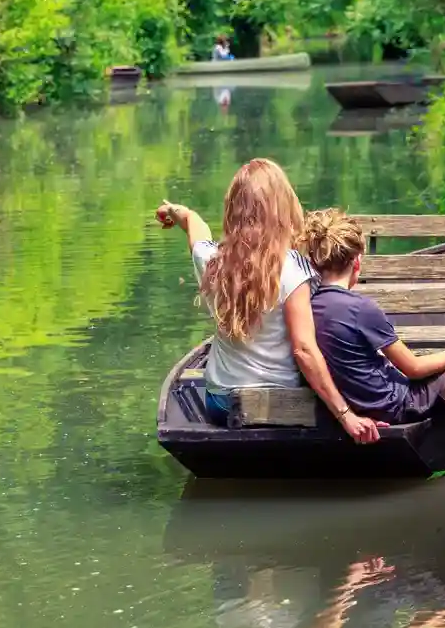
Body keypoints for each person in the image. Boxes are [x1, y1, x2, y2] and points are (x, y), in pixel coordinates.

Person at [157, 160, 387, 444]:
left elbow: (196, 229)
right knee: (363, 391)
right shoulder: (294, 268)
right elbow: (304, 350)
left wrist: (177, 212)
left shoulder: (213, 260)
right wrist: (346, 415)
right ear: (282, 207)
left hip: (219, 404)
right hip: (281, 404)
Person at [297, 207, 445, 423]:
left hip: (354, 404)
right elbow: (414, 368)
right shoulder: (361, 308)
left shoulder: (307, 304)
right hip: (396, 405)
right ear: (356, 262)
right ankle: (430, 427)